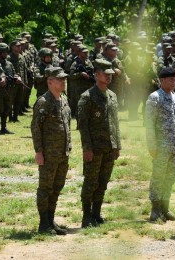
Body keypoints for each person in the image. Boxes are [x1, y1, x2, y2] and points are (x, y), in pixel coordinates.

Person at [77, 59, 121, 228]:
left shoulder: (112, 95)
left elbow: (115, 122)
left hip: (109, 147)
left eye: (110, 73)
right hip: (94, 148)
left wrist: (117, 145)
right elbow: (83, 126)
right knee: (90, 182)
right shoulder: (87, 97)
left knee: (103, 182)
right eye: (105, 73)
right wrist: (86, 148)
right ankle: (86, 216)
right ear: (96, 75)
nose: (109, 76)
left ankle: (96, 213)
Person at [31, 66, 71, 235]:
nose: (63, 82)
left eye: (64, 79)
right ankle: (43, 223)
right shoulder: (43, 102)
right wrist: (39, 152)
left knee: (57, 187)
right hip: (48, 154)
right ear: (50, 81)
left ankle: (50, 220)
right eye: (60, 79)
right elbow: (35, 128)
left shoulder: (63, 99)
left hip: (63, 153)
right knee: (45, 188)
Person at [145, 67, 175, 222]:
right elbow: (149, 124)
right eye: (170, 79)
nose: (173, 82)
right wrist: (152, 146)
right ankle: (155, 210)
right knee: (158, 177)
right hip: (161, 147)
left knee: (170, 177)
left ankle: (165, 208)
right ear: (162, 80)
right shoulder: (155, 98)